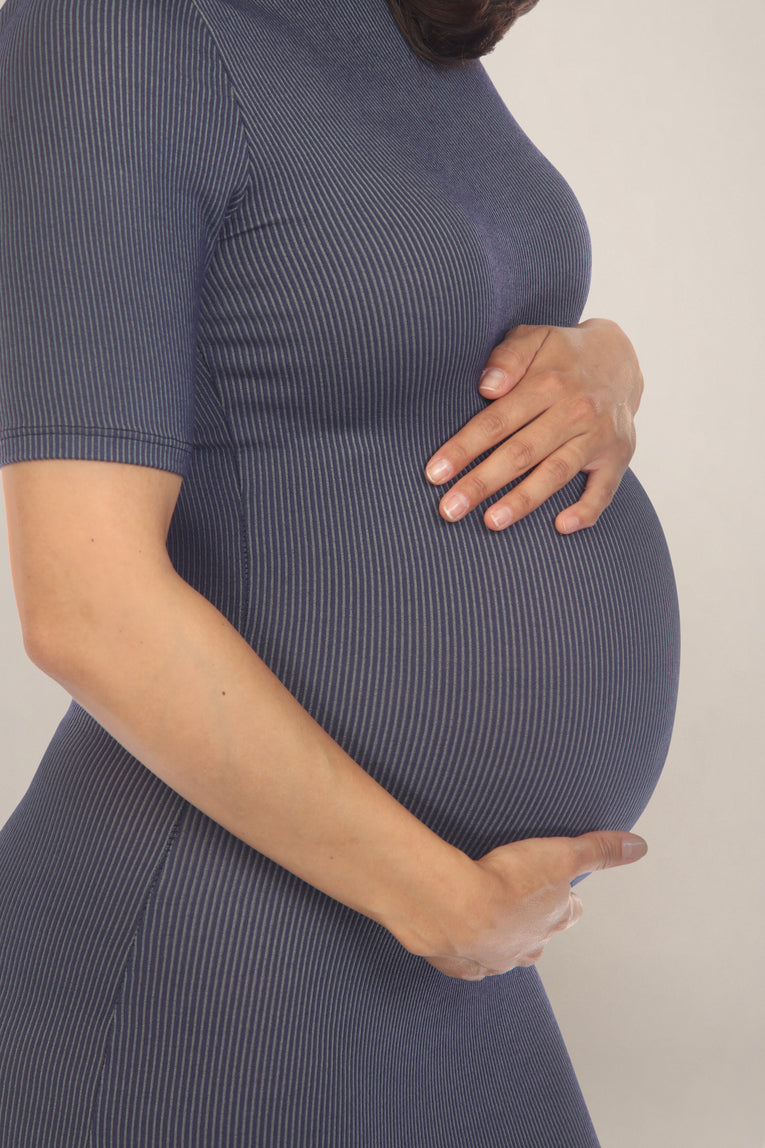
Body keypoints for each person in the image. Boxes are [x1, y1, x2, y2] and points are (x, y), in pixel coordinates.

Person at [0, 0, 680, 1144]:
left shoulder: (398, 33)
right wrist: (439, 901)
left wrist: (606, 359)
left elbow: (431, 314)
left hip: (452, 948)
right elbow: (85, 603)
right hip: (213, 947)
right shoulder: (114, 30)